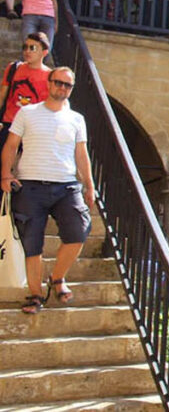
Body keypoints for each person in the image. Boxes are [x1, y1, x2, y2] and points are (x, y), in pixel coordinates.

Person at [2, 67, 95, 314]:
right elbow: (11, 146)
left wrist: (89, 184)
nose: (62, 88)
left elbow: (81, 153)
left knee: (78, 231)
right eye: (58, 82)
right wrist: (6, 174)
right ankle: (35, 295)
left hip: (66, 185)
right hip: (30, 185)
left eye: (67, 85)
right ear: (49, 83)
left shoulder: (76, 119)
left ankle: (57, 278)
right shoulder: (27, 113)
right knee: (32, 242)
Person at [0, 32, 51, 147]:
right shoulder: (14, 68)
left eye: (33, 48)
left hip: (33, 127)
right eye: (25, 47)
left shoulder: (50, 76)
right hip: (10, 123)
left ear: (44, 52)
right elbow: (2, 95)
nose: (27, 51)